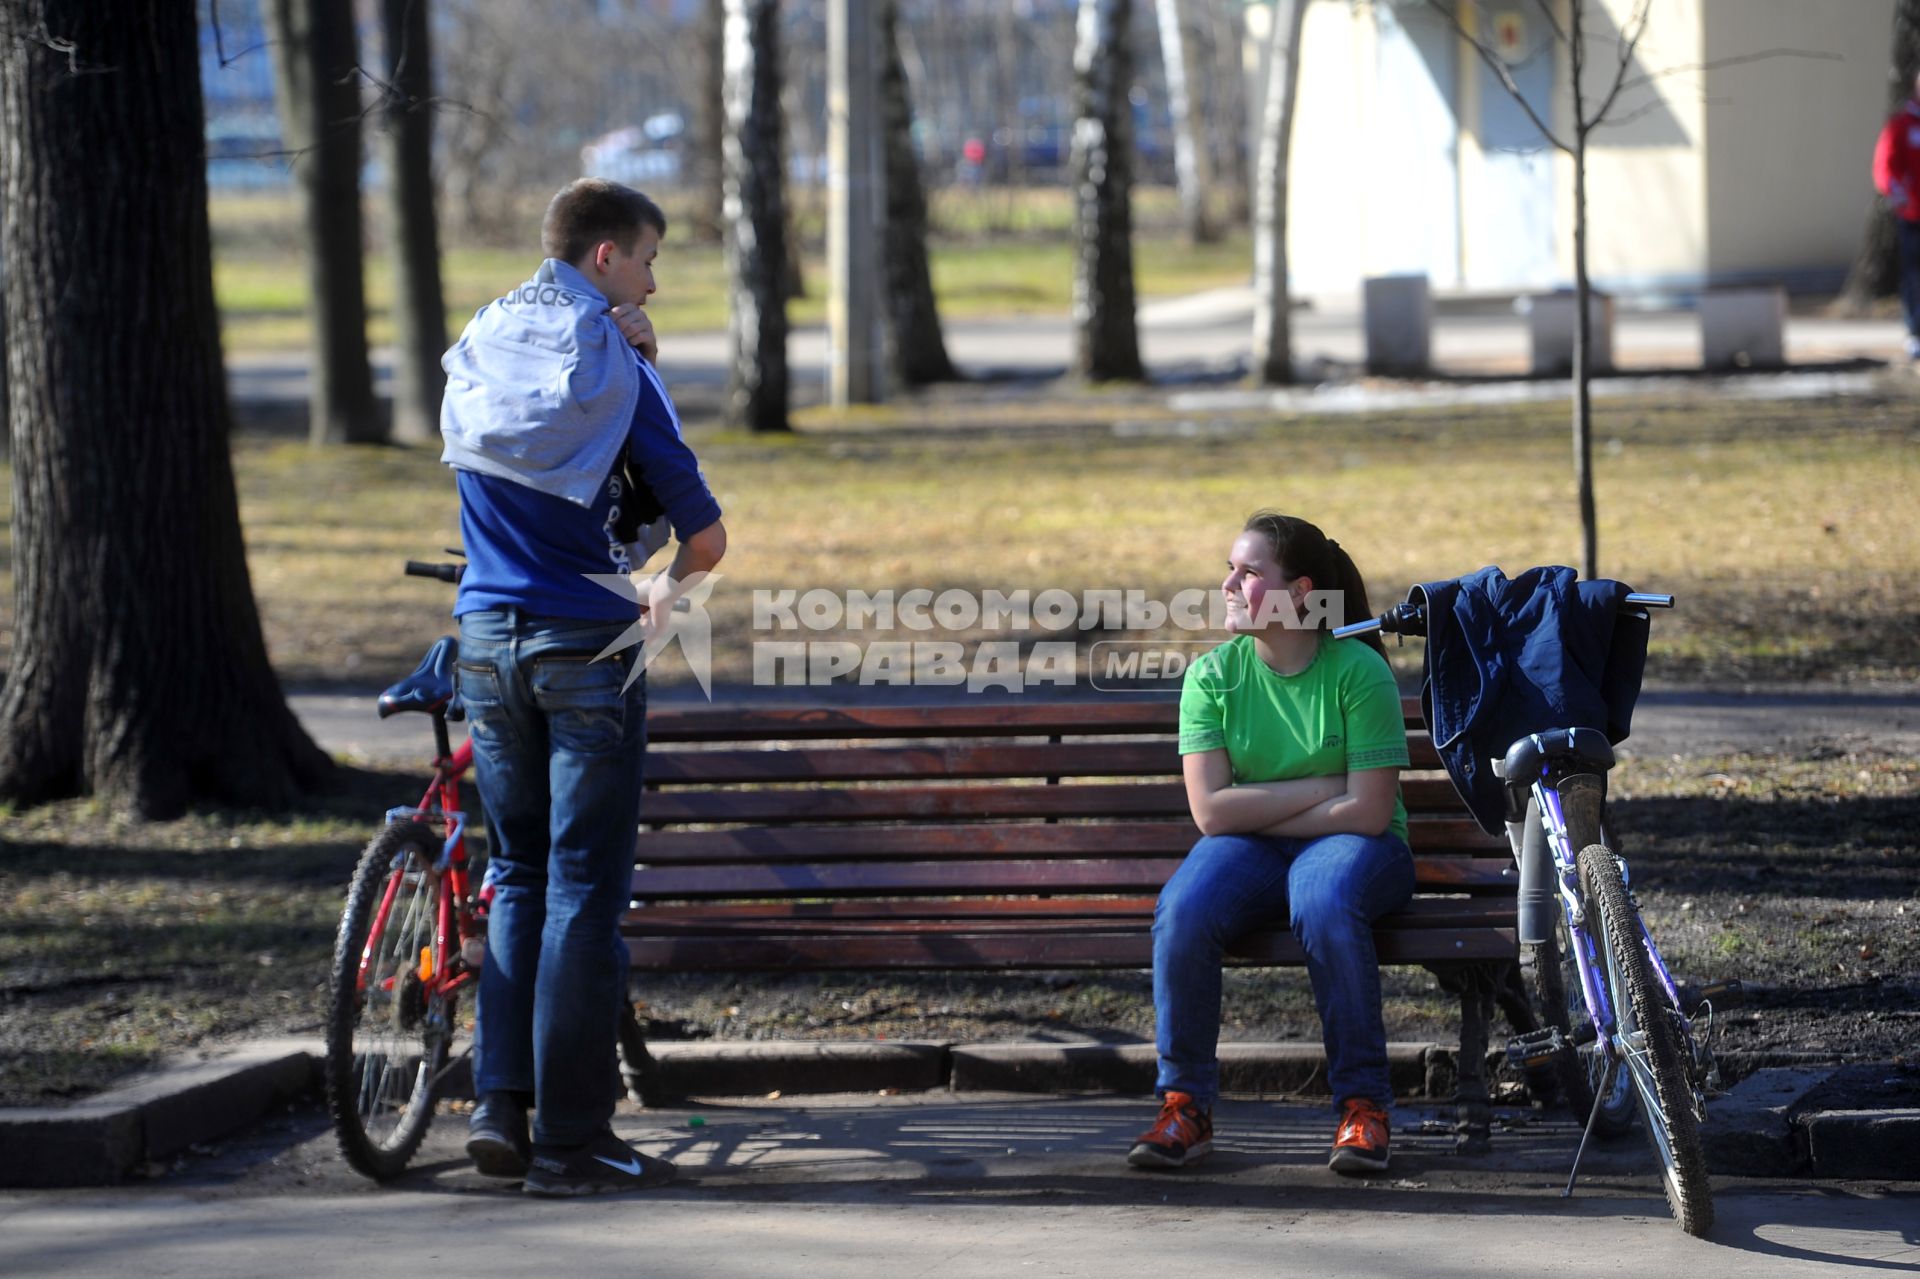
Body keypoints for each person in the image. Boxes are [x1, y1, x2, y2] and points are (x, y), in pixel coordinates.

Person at [441, 178, 726, 1196]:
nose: (656, 279)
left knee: (514, 875)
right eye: (649, 257)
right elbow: (703, 537)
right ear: (605, 258)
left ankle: (496, 1107)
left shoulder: (483, 343)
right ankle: (571, 1139)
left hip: (484, 635)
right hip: (585, 650)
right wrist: (663, 600)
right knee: (582, 892)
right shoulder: (618, 370)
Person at [1127, 512, 1413, 1177]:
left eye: (1249, 572)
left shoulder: (1358, 671)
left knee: (1321, 895)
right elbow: (1209, 812)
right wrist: (1321, 785)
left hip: (1360, 849)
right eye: (1230, 568)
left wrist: (1252, 812)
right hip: (1268, 843)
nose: (1228, 582)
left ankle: (1363, 1107)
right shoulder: (1212, 677)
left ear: (1301, 592)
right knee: (1185, 908)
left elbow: (1369, 814)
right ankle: (1185, 1106)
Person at [1873, 71, 1920, 360]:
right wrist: (1901, 195)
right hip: (1913, 215)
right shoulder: (1902, 125)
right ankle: (1916, 331)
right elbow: (1885, 169)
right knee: (1915, 276)